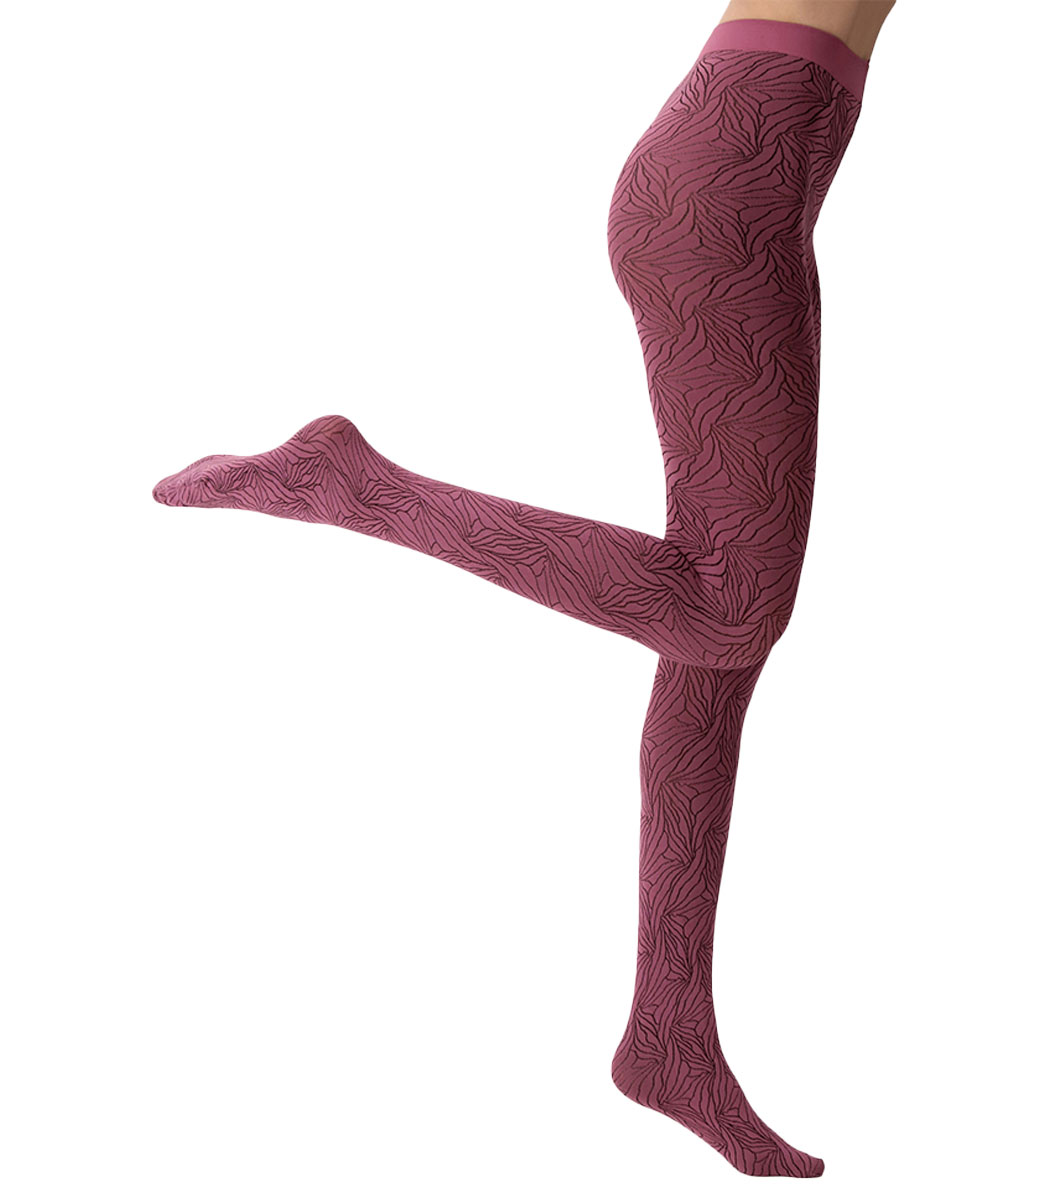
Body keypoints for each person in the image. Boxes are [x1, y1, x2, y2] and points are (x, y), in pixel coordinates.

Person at [153, 0, 897, 1177]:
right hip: (726, 196)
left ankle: (669, 1035)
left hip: (763, 191)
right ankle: (355, 486)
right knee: (725, 604)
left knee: (718, 651)